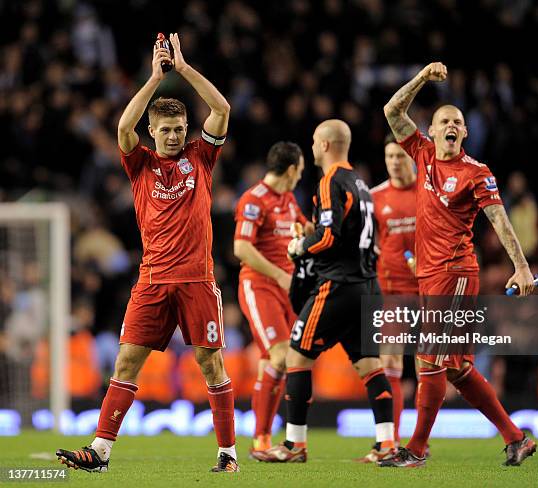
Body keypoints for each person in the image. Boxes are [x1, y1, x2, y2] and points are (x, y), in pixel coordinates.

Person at [56, 33, 239, 473]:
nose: (174, 136)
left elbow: (221, 110)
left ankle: (228, 455)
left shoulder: (201, 157)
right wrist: (155, 77)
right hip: (153, 280)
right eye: (166, 130)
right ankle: (99, 453)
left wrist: (183, 68)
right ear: (152, 132)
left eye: (179, 129)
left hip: (197, 279)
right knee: (126, 361)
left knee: (210, 363)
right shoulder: (139, 164)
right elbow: (121, 128)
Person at [379, 62, 537, 468]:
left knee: (430, 358)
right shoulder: (424, 154)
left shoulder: (476, 173)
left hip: (456, 273)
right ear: (431, 131)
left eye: (458, 122)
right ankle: (516, 438)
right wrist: (420, 79)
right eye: (443, 120)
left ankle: (414, 449)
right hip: (428, 276)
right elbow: (392, 112)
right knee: (456, 368)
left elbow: (498, 219)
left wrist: (520, 266)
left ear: (464, 133)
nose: (451, 125)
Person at [257, 119, 395, 463]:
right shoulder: (361, 183)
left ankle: (294, 446)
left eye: (315, 142)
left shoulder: (329, 181)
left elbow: (329, 236)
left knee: (296, 356)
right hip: (367, 285)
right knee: (368, 365)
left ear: (325, 145)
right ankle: (387, 444)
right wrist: (316, 231)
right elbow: (351, 233)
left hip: (338, 285)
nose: (313, 148)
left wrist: (300, 245)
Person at [233, 141, 312, 456]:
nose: (300, 177)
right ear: (291, 169)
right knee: (282, 357)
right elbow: (241, 248)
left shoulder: (289, 200)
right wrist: (279, 275)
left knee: (274, 363)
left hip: (288, 292)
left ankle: (261, 441)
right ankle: (272, 439)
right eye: (301, 171)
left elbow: (305, 229)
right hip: (260, 287)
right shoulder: (254, 200)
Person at [357, 134, 418, 461]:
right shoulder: (376, 196)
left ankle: (420, 442)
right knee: (390, 364)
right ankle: (390, 441)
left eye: (400, 155)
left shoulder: (428, 191)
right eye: (390, 156)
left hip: (426, 292)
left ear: (412, 157)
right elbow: (368, 243)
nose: (395, 161)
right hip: (389, 293)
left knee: (430, 369)